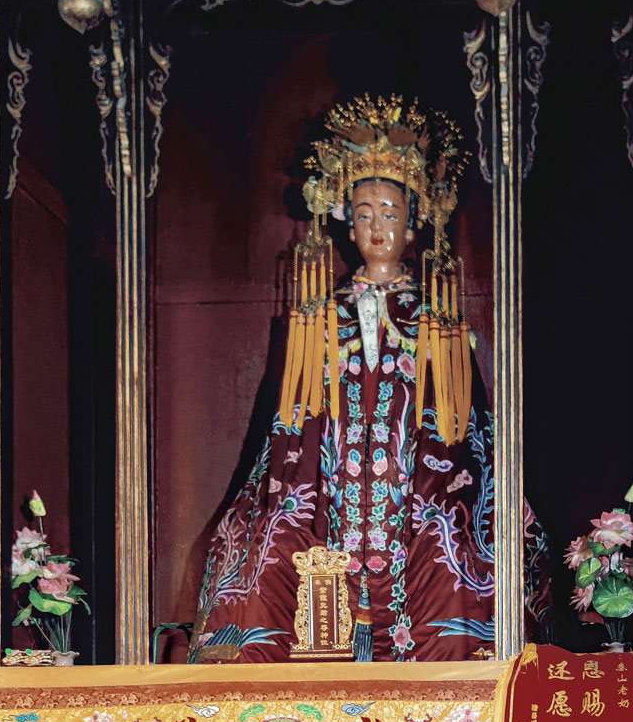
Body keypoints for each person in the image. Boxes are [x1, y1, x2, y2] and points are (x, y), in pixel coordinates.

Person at [191, 93, 549, 664]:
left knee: (453, 549)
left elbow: (465, 435)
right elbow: (291, 432)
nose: (376, 227)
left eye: (389, 213)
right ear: (345, 223)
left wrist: (437, 495)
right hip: (330, 507)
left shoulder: (437, 323)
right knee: (275, 540)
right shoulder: (319, 320)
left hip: (415, 507)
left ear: (413, 224)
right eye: (363, 214)